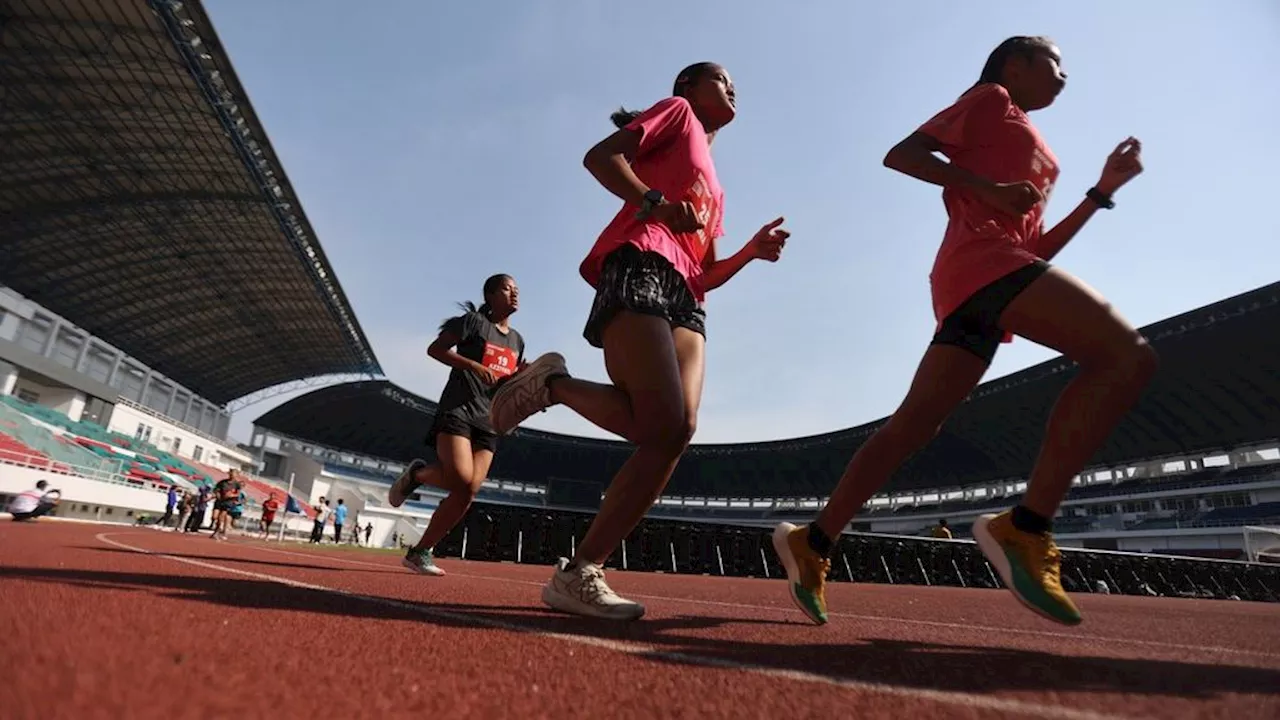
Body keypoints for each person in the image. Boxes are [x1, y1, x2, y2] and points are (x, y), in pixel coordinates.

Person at [772, 36, 1151, 627]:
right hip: (983, 264)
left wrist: (1100, 192)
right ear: (1016, 62)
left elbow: (1037, 247)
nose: (1064, 76)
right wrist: (985, 187)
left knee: (913, 427)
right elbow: (902, 154)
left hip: (984, 276)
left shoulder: (1033, 141)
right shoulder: (990, 98)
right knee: (1125, 357)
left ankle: (814, 541)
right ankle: (1026, 527)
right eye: (1056, 64)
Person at [486, 62, 789, 620]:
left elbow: (707, 270)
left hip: (688, 299)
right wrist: (655, 203)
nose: (733, 88)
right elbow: (600, 157)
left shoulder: (715, 183)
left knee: (674, 432)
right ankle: (553, 386)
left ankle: (578, 573)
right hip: (642, 261)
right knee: (662, 424)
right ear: (689, 89)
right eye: (721, 79)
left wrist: (749, 251)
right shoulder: (676, 114)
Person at [388, 274, 527, 576]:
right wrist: (474, 365)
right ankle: (418, 474)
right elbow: (435, 350)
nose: (515, 294)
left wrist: (526, 383)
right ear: (490, 295)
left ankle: (420, 551)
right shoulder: (472, 323)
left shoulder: (517, 340)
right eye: (507, 288)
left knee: (469, 490)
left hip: (489, 420)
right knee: (462, 478)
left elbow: (507, 382)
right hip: (459, 409)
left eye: (517, 290)